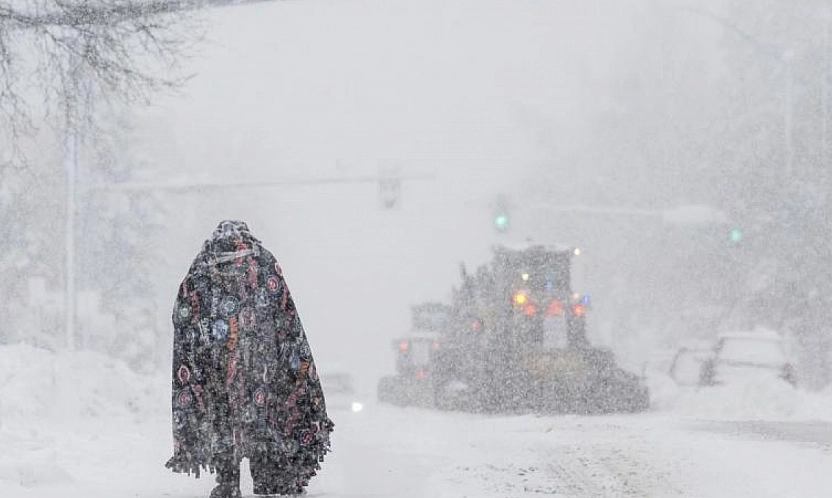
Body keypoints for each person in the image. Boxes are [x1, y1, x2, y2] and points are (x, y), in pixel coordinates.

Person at [165, 220, 333, 498]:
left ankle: (227, 482)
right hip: (260, 364)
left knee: (222, 421)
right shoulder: (264, 262)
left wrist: (201, 348)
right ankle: (267, 478)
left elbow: (183, 312)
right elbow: (285, 311)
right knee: (261, 419)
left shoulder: (201, 266)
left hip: (215, 365)